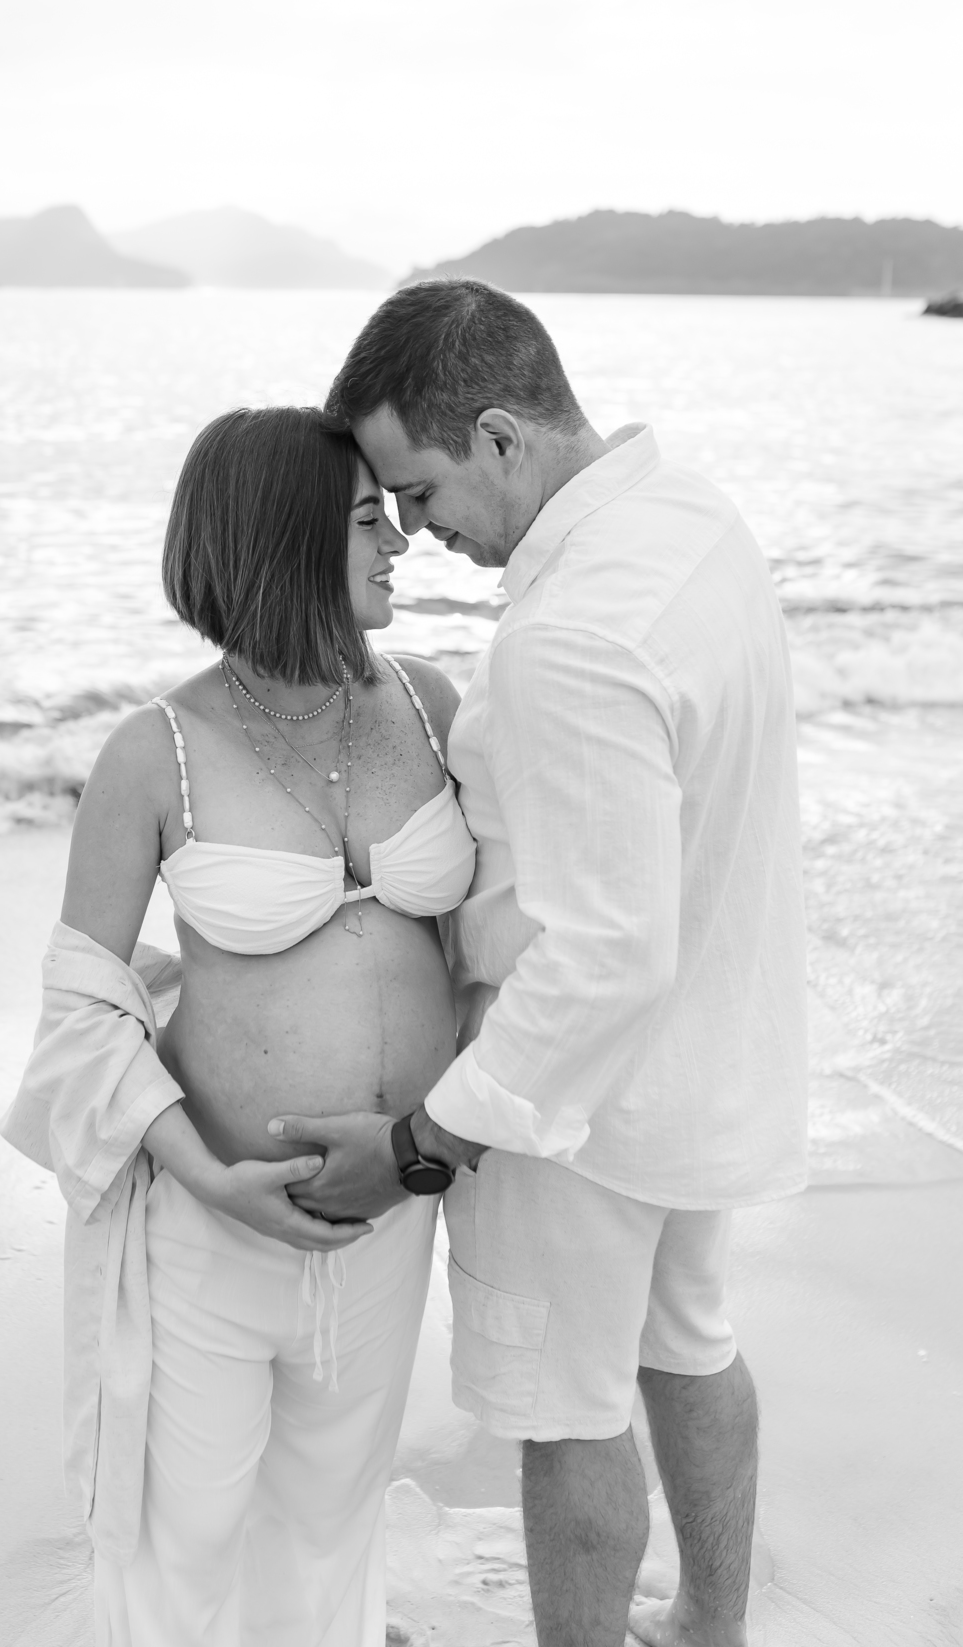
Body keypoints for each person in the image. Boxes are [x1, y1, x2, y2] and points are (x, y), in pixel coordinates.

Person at [270, 281, 808, 1647]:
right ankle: (707, 1630)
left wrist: (426, 1141)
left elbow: (602, 953)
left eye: (420, 488)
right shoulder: (690, 520)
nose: (415, 533)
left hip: (573, 1117)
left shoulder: (570, 633)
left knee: (564, 1416)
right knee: (690, 1341)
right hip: (700, 1073)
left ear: (502, 436)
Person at [2, 404, 476, 1647]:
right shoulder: (154, 754)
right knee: (186, 1542)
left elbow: (494, 942)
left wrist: (454, 1137)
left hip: (393, 1211)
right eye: (370, 521)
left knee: (332, 1522)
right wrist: (207, 1176)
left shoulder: (430, 705)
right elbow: (82, 1007)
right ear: (281, 542)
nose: (401, 546)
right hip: (212, 1228)